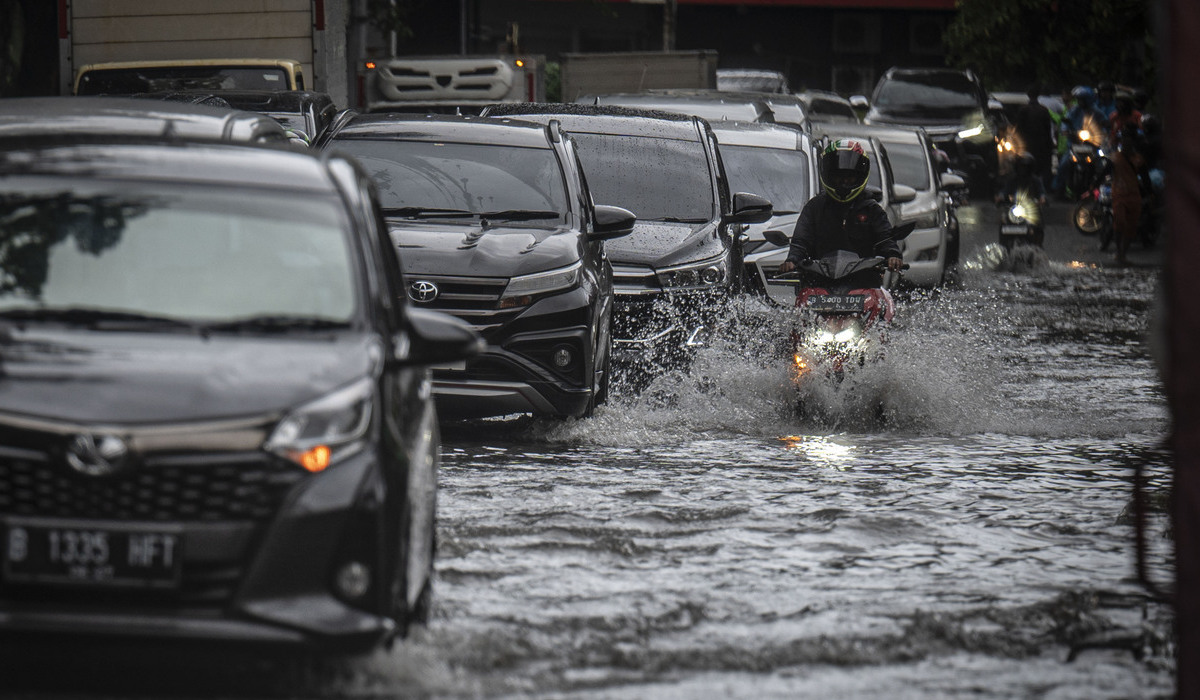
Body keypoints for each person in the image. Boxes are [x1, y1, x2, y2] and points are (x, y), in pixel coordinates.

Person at [777, 140, 903, 281]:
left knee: (883, 299)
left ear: (860, 176)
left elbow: (885, 238)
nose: (844, 182)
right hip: (819, 282)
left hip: (864, 282)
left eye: (849, 177)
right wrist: (792, 260)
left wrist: (893, 255)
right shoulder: (815, 207)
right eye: (838, 177)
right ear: (829, 175)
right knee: (801, 299)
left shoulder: (872, 210)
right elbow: (801, 241)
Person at [1052, 85, 1109, 197]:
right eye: (1079, 99)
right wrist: (1065, 130)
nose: (1080, 101)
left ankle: (1102, 190)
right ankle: (1058, 189)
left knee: (1102, 166)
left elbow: (1105, 123)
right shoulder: (1074, 111)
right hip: (1074, 144)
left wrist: (1104, 131)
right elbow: (1065, 122)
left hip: (1092, 145)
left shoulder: (1096, 112)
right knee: (1063, 164)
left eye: (1082, 99)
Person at [1109, 124, 1146, 264]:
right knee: (1120, 222)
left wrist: (1149, 193)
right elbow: (1105, 171)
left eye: (1128, 140)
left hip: (1134, 196)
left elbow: (1145, 177)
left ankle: (1123, 253)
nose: (1126, 142)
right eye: (1124, 140)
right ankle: (1119, 251)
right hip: (1119, 195)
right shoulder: (1115, 158)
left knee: (1131, 226)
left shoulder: (1138, 160)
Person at [995, 152, 1047, 245]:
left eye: (1026, 167)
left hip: (1031, 208)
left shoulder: (1035, 180)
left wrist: (1042, 199)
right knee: (1004, 219)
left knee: (1038, 220)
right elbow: (1005, 190)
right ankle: (1003, 244)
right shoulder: (1013, 180)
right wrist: (1000, 197)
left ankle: (1038, 242)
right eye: (1021, 166)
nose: (1023, 169)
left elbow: (1041, 192)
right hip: (1015, 207)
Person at [1014, 83, 1055, 188]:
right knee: (1041, 169)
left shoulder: (1023, 110)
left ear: (1028, 95)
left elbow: (1018, 129)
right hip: (1041, 145)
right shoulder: (1043, 110)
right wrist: (1049, 145)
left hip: (1027, 145)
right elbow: (1048, 130)